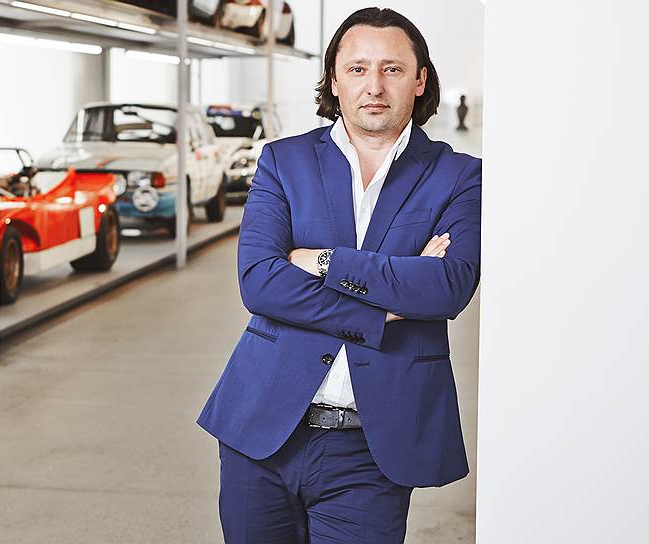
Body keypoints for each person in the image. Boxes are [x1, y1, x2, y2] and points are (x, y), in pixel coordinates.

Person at [197, 7, 482, 543]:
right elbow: (260, 281)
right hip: (261, 430)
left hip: (374, 446)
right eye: (357, 69)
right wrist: (384, 306)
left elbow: (447, 287)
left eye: (392, 69)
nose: (374, 85)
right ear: (334, 79)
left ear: (420, 80)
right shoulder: (284, 161)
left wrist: (323, 261)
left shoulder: (459, 175)